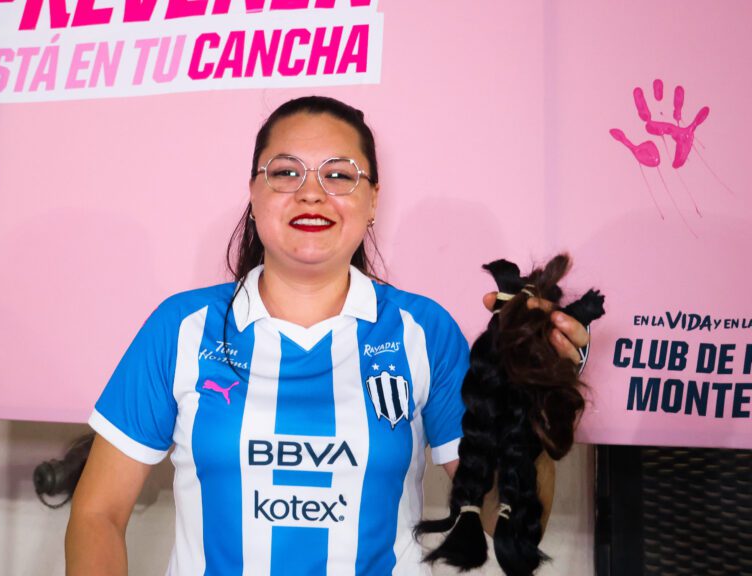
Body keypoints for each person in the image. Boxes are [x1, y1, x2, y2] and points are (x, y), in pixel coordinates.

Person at [64, 96, 589, 575]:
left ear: (373, 199)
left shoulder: (423, 332)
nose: (311, 193)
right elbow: (98, 514)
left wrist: (537, 393)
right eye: (286, 172)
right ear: (252, 191)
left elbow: (506, 519)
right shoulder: (181, 328)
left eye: (340, 175)